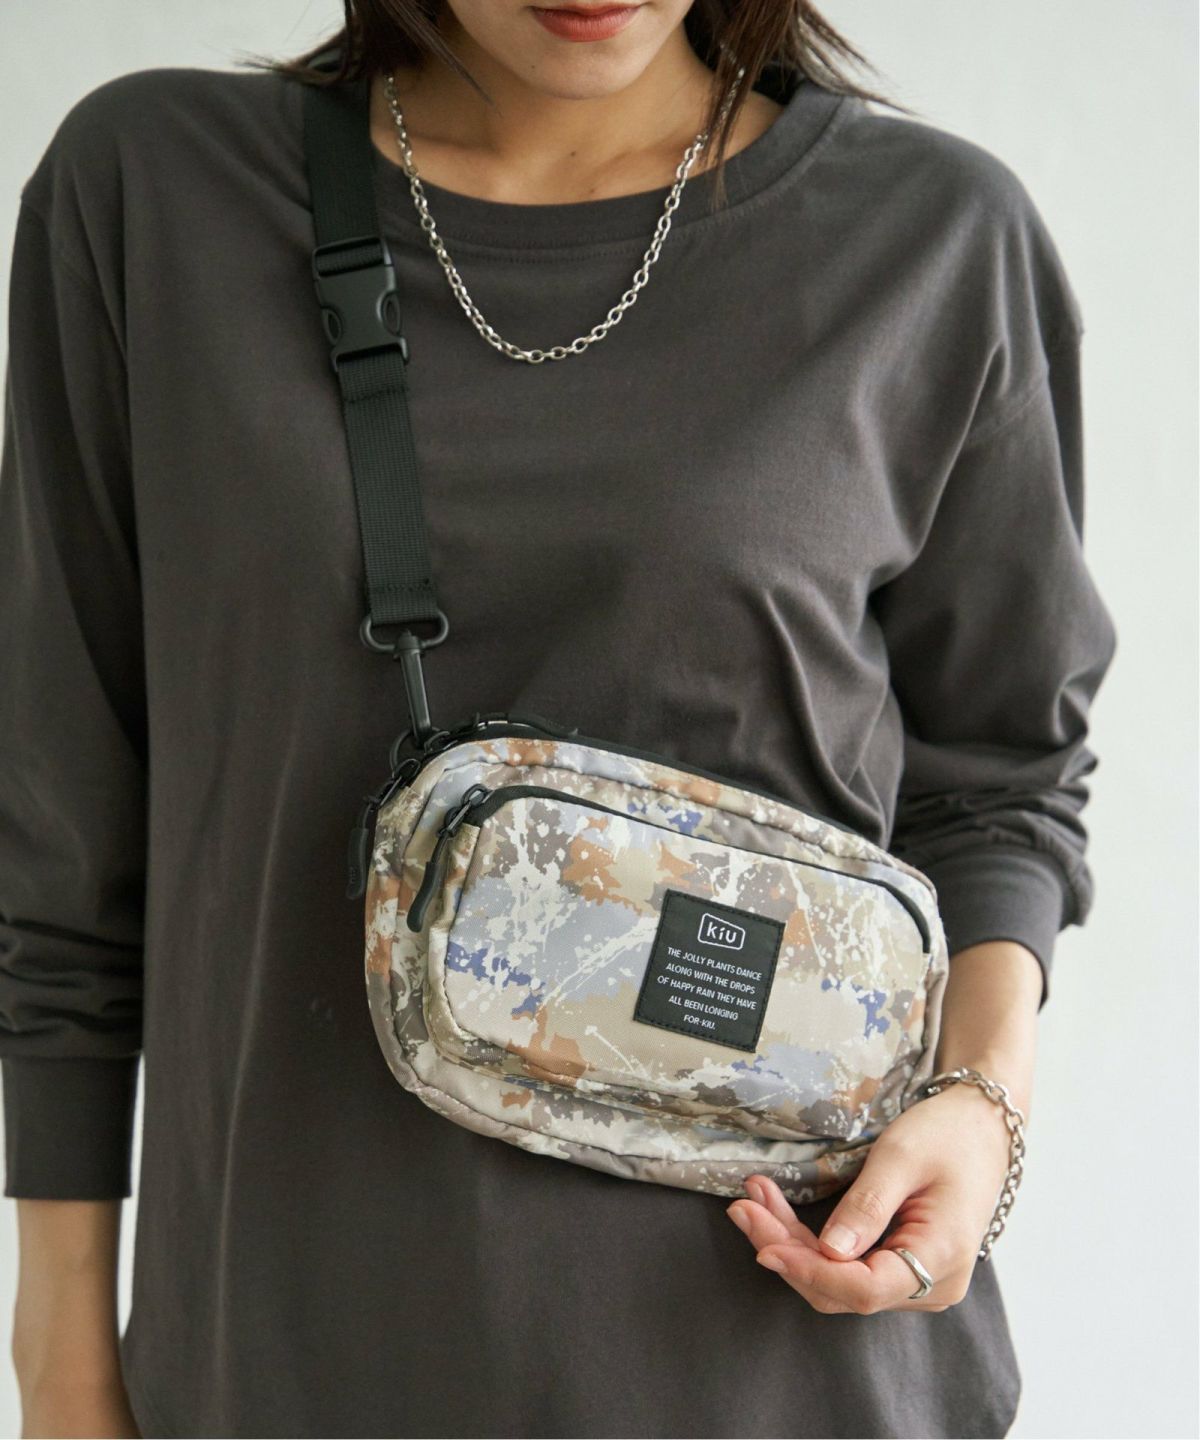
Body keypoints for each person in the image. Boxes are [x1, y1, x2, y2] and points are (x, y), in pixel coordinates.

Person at [0, 3, 1117, 1437]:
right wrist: (61, 1360)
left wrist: (980, 1106)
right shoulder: (153, 193)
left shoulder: (934, 238)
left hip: (783, 1364)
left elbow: (1002, 778)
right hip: (291, 1364)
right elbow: (63, 818)